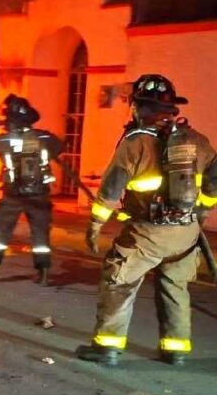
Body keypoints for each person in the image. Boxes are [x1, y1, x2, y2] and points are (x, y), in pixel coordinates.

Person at [78, 74, 217, 367]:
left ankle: (107, 348)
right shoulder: (196, 140)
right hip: (186, 233)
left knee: (119, 284)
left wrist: (95, 225)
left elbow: (111, 189)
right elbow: (214, 181)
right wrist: (202, 212)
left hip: (146, 234)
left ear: (137, 107)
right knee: (175, 289)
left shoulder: (135, 142)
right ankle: (176, 350)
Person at [0, 94, 65, 286]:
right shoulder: (45, 137)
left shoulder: (5, 140)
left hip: (12, 195)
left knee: (0, 231)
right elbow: (59, 146)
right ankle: (43, 272)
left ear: (12, 119)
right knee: (40, 233)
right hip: (39, 194)